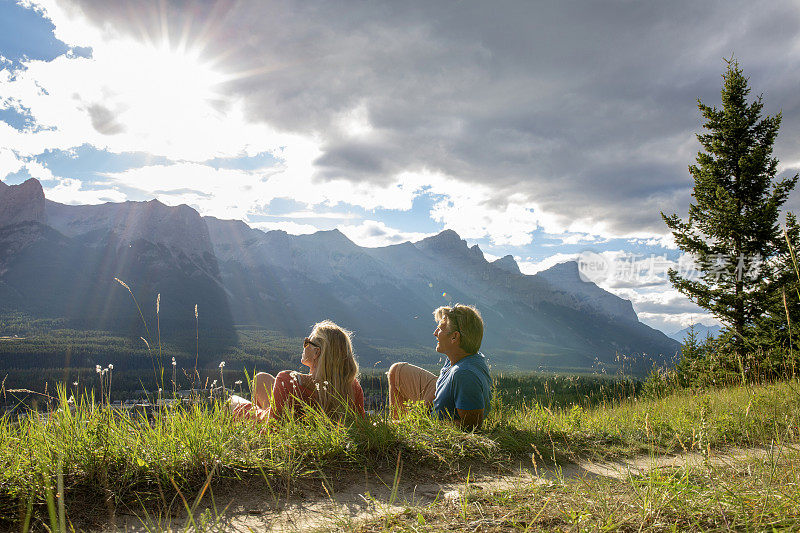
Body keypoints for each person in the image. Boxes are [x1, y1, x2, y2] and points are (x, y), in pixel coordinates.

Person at [231, 320, 366, 421]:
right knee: (261, 379)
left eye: (307, 342)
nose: (304, 346)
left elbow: (272, 429)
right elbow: (360, 426)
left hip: (268, 423)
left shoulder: (288, 380)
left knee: (232, 400)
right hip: (306, 425)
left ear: (316, 352)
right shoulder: (352, 386)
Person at [387, 304, 491, 430]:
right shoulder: (460, 357)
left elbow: (471, 426)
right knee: (397, 371)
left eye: (441, 329)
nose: (435, 333)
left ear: (454, 337)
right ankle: (401, 425)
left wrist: (422, 424)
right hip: (437, 404)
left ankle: (399, 431)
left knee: (384, 426)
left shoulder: (464, 375)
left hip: (433, 425)